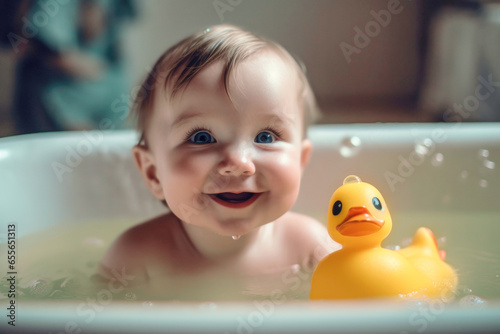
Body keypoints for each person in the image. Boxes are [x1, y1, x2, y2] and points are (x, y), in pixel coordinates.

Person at [100, 25, 338, 300]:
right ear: (153, 174)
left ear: (300, 161)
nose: (238, 162)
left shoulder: (309, 246)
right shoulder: (136, 256)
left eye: (266, 136)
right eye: (201, 138)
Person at [4, 0, 136, 134]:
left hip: (101, 91)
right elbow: (50, 51)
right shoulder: (51, 9)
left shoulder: (115, 76)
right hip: (55, 94)